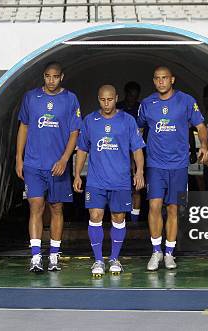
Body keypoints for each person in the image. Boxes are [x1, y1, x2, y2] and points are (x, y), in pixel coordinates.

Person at [137, 66, 208, 271]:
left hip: (178, 165)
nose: (161, 82)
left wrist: (203, 146)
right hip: (155, 165)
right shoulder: (147, 103)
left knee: (173, 208)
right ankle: (155, 251)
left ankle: (169, 253)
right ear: (154, 81)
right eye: (157, 78)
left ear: (172, 80)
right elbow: (139, 129)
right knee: (154, 207)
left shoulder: (186, 101)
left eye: (165, 78)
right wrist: (137, 158)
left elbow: (201, 127)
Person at [15, 61, 82, 272]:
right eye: (47, 76)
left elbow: (74, 133)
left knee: (57, 208)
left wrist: (64, 160)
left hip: (58, 166)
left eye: (55, 76)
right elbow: (23, 127)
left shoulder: (70, 99)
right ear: (43, 76)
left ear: (61, 77)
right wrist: (19, 158)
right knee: (35, 206)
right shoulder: (30, 97)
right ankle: (35, 257)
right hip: (34, 164)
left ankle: (54, 256)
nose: (51, 80)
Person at [74, 85, 146, 277]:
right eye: (103, 100)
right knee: (95, 216)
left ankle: (114, 258)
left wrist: (139, 172)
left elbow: (137, 149)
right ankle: (98, 260)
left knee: (118, 218)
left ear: (116, 98)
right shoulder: (90, 120)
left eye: (110, 100)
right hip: (96, 181)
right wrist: (77, 174)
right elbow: (82, 149)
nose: (107, 104)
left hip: (120, 180)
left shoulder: (127, 120)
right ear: (98, 99)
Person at [116, 81, 143, 223]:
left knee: (136, 187)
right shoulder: (118, 108)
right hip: (119, 152)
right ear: (126, 94)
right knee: (121, 188)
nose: (133, 98)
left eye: (135, 95)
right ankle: (121, 220)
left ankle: (135, 221)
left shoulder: (141, 108)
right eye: (130, 94)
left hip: (136, 150)